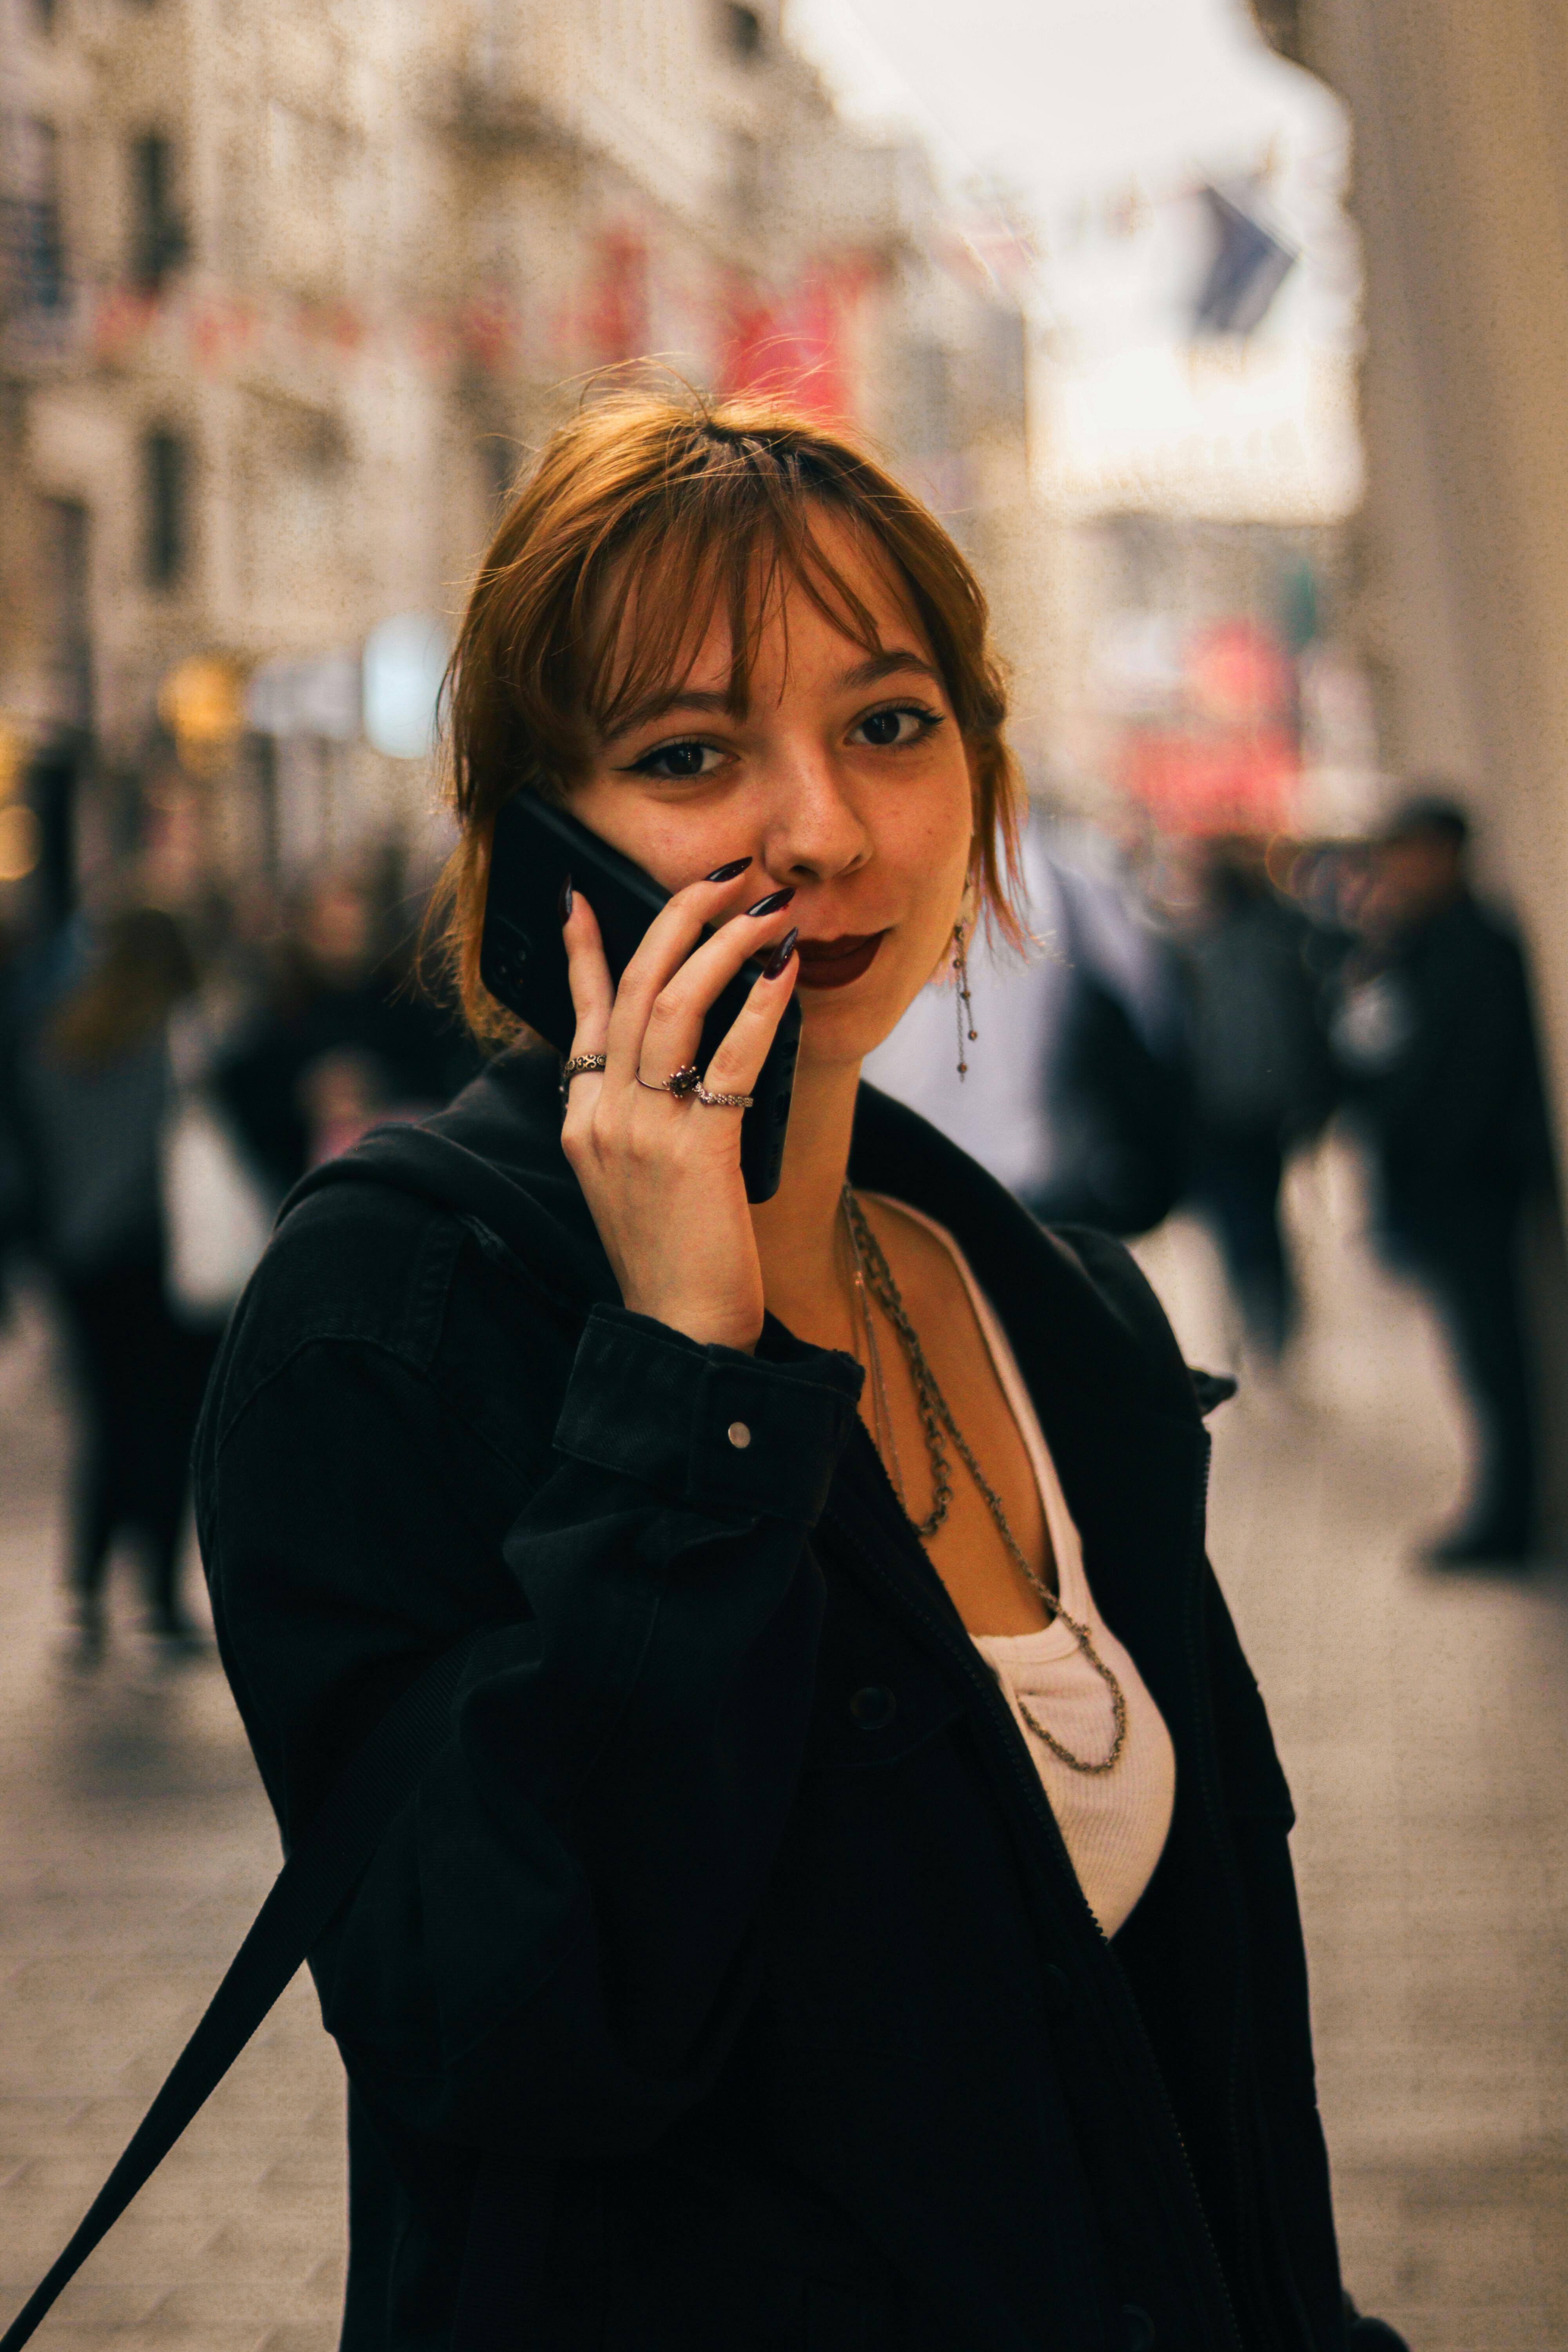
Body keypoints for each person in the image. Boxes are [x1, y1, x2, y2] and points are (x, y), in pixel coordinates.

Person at [195, 396, 1403, 2350]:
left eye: (889, 723)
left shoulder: (1053, 1309)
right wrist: (681, 1381)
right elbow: (519, 2030)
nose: (824, 831)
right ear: (539, 848)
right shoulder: (392, 1320)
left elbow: (1204, 2056)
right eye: (689, 755)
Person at [1332, 793, 1552, 1563]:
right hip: (1445, 1188)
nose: (1393, 870)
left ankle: (1509, 1521)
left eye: (1404, 853)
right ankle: (1503, 1512)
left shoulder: (1472, 944)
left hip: (1472, 1189)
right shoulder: (1413, 940)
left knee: (1497, 1360)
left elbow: (1466, 1077)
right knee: (1478, 1359)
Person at [21, 908, 220, 1658]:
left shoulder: (60, 1034)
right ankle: (160, 1605)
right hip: (157, 1254)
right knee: (165, 1425)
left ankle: (86, 1595)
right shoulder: (176, 1037)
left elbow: (35, 1142)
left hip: (79, 1257)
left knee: (106, 1423)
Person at [1178, 840, 1335, 1361]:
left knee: (1240, 1220)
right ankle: (1270, 1318)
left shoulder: (1203, 952)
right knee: (1260, 1218)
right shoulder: (1279, 941)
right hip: (1258, 1111)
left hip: (1222, 1112)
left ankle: (1259, 1316)